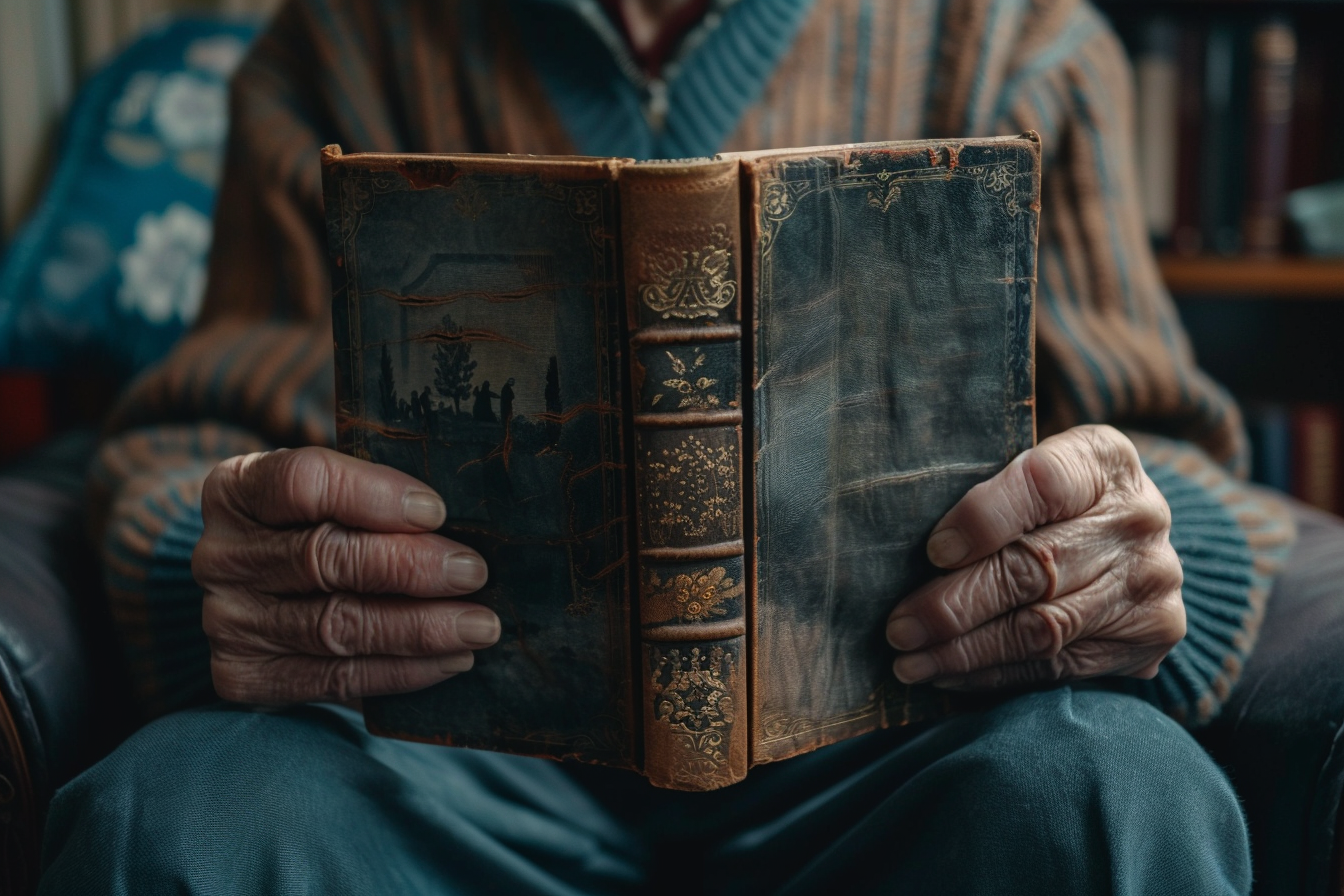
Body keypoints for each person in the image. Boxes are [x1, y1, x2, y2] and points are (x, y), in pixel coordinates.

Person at [42, 0, 1298, 893]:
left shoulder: (1015, 38)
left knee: (1112, 791)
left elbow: (1166, 445)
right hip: (448, 760)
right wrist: (215, 558)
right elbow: (199, 432)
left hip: (897, 753)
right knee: (176, 810)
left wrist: (1127, 553)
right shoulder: (341, 41)